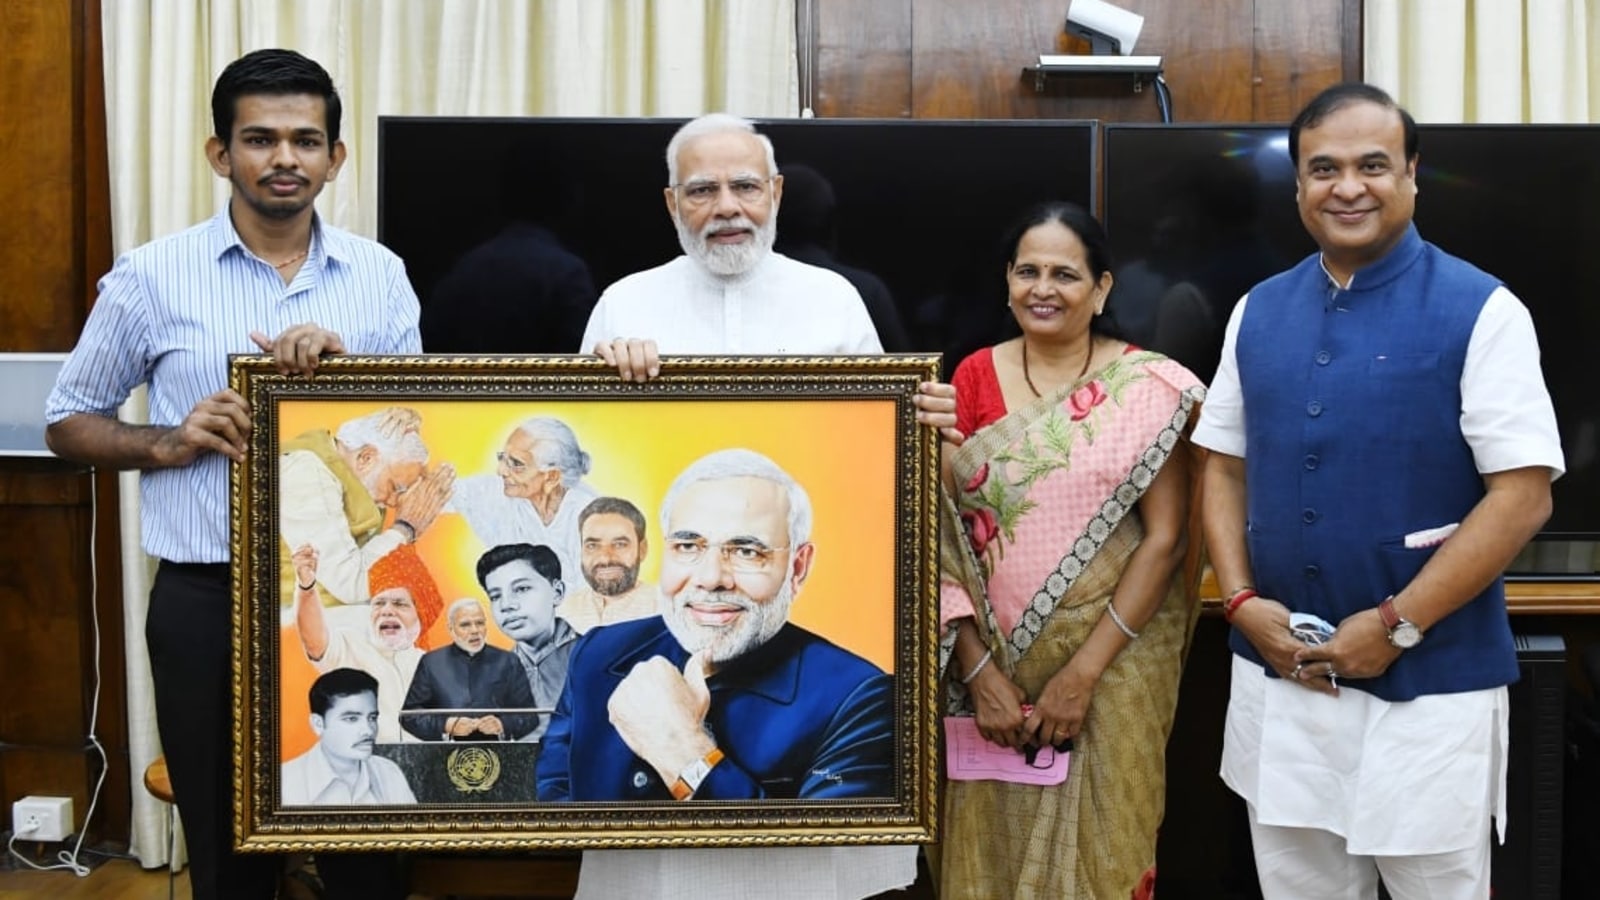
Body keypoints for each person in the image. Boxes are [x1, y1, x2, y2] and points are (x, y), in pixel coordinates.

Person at [42, 49, 416, 900]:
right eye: (260, 139)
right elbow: (68, 420)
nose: (285, 158)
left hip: (346, 607)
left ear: (335, 158)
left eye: (305, 140)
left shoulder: (380, 278)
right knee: (224, 841)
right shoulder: (149, 276)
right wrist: (167, 441)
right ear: (221, 154)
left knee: (371, 836)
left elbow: (412, 440)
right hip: (208, 597)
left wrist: (349, 386)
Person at [1192, 83, 1564, 900]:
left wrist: (1396, 626)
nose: (1347, 187)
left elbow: (1524, 496)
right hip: (1281, 677)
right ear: (1297, 186)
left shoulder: (1486, 310)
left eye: (1372, 165)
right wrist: (1242, 599)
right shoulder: (1257, 309)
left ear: (1413, 174)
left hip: (1430, 691)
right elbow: (1222, 463)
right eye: (1323, 169)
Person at [573, 110, 957, 900]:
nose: (728, 207)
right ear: (672, 202)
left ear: (775, 193)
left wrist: (924, 431)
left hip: (791, 644)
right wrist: (602, 385)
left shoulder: (834, 301)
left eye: (745, 186)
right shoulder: (623, 305)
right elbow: (593, 466)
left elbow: (879, 456)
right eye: (703, 189)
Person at [938, 200, 1206, 898]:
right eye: (1027, 271)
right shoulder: (970, 379)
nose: (1043, 289)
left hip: (1114, 671)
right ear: (1006, 281)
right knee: (986, 859)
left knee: (1107, 857)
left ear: (1103, 288)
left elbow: (1167, 540)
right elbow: (943, 541)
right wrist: (978, 675)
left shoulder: (1148, 387)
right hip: (988, 674)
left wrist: (1081, 676)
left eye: (1065, 273)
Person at [537, 448, 893, 802]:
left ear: (797, 569)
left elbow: (822, 853)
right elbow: (554, 792)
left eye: (746, 551)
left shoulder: (859, 699)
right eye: (688, 545)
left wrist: (684, 751)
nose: (710, 579)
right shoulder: (597, 651)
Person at [279, 405, 453, 606]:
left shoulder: (358, 480)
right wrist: (405, 528)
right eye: (395, 487)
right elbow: (353, 585)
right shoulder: (305, 472)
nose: (393, 503)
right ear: (366, 458)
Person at [294, 542, 443, 743]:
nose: (387, 610)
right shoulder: (351, 645)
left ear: (420, 616)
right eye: (379, 604)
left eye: (399, 604)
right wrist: (307, 587)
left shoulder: (433, 665)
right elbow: (314, 640)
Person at [447, 417, 597, 586]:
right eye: (503, 458)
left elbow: (592, 596)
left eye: (516, 463)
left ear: (552, 477)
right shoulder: (498, 491)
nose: (501, 470)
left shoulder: (589, 517)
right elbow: (439, 494)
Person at [401, 597, 540, 742]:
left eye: (479, 623)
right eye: (465, 625)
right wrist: (447, 725)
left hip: (497, 752)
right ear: (451, 628)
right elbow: (409, 716)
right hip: (444, 753)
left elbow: (530, 716)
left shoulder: (509, 661)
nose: (474, 630)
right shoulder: (431, 663)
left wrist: (502, 724)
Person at [476, 542, 577, 740]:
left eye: (521, 589)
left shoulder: (592, 657)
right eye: (495, 596)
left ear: (557, 592)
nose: (506, 605)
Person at [282, 668, 417, 806]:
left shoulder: (388, 772)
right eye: (352, 719)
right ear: (318, 724)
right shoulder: (283, 782)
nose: (368, 730)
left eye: (372, 717)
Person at [558, 496, 658, 633]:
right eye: (593, 546)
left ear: (642, 549)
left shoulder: (668, 611)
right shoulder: (564, 612)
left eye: (619, 544)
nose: (605, 558)